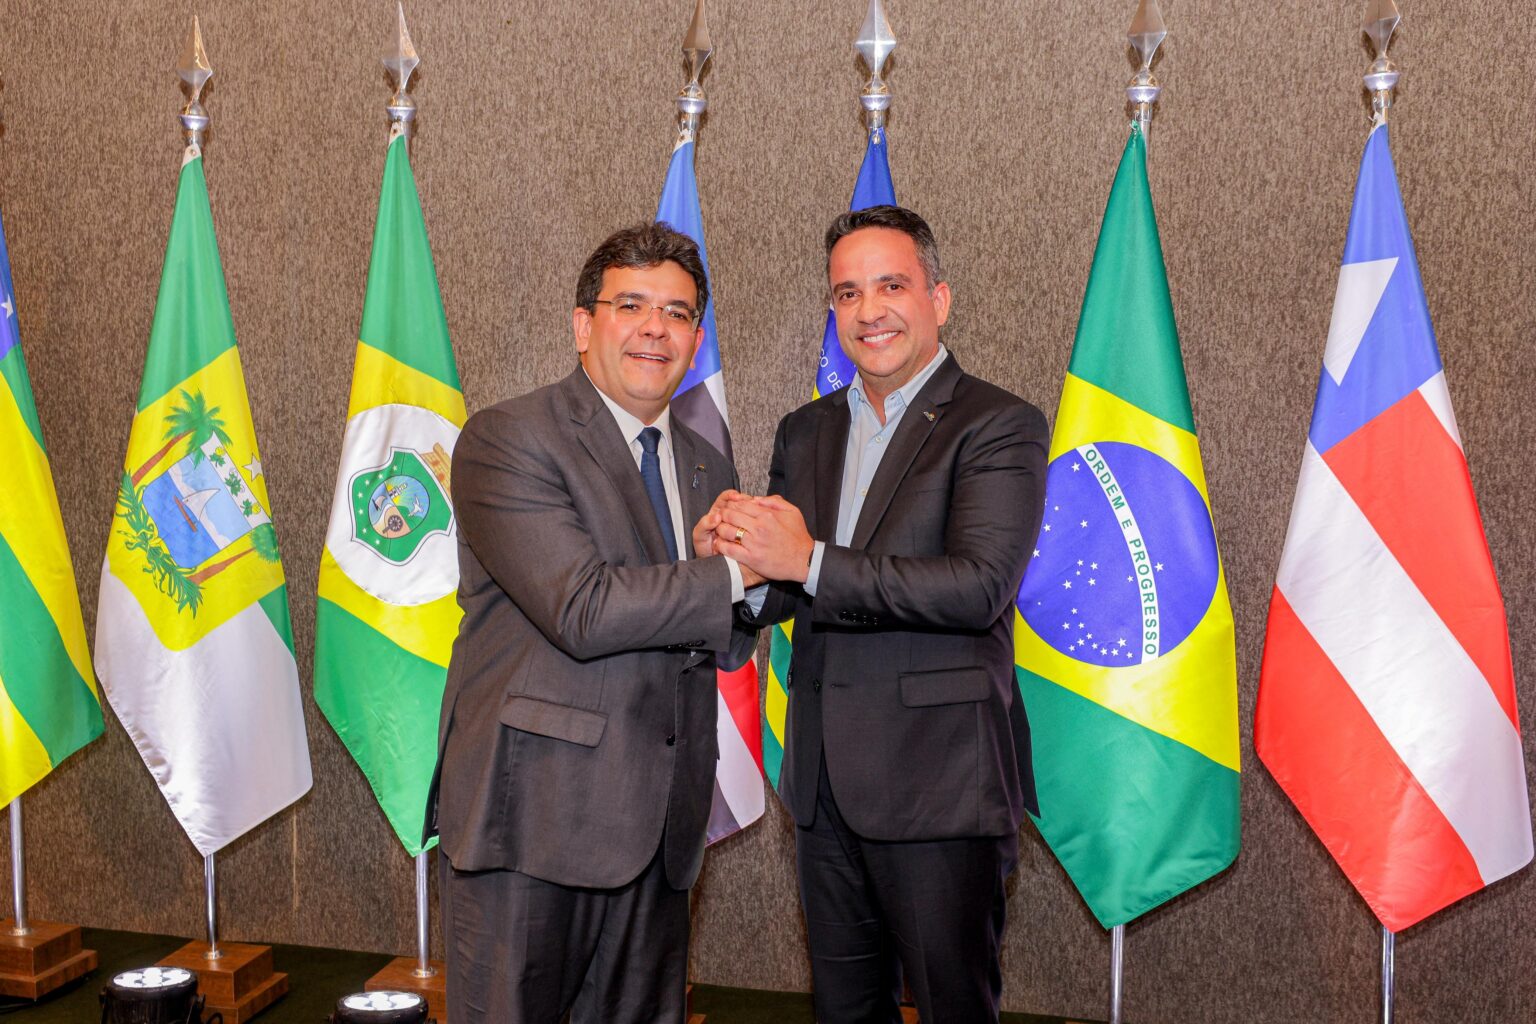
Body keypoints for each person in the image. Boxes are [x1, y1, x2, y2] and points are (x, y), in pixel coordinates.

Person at [714, 205, 1048, 1024]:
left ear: (940, 298)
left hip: (941, 787)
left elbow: (976, 587)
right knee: (843, 1011)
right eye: (847, 293)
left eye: (891, 286)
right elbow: (793, 586)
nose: (869, 311)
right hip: (822, 788)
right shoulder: (806, 429)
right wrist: (741, 566)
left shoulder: (997, 423)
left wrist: (805, 559)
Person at [424, 223, 759, 1024]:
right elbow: (583, 608)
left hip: (662, 830)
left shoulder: (706, 461)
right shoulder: (509, 438)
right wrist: (732, 574)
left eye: (677, 313)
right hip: (535, 824)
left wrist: (766, 580)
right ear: (583, 325)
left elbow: (716, 629)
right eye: (631, 305)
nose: (655, 329)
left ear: (696, 339)